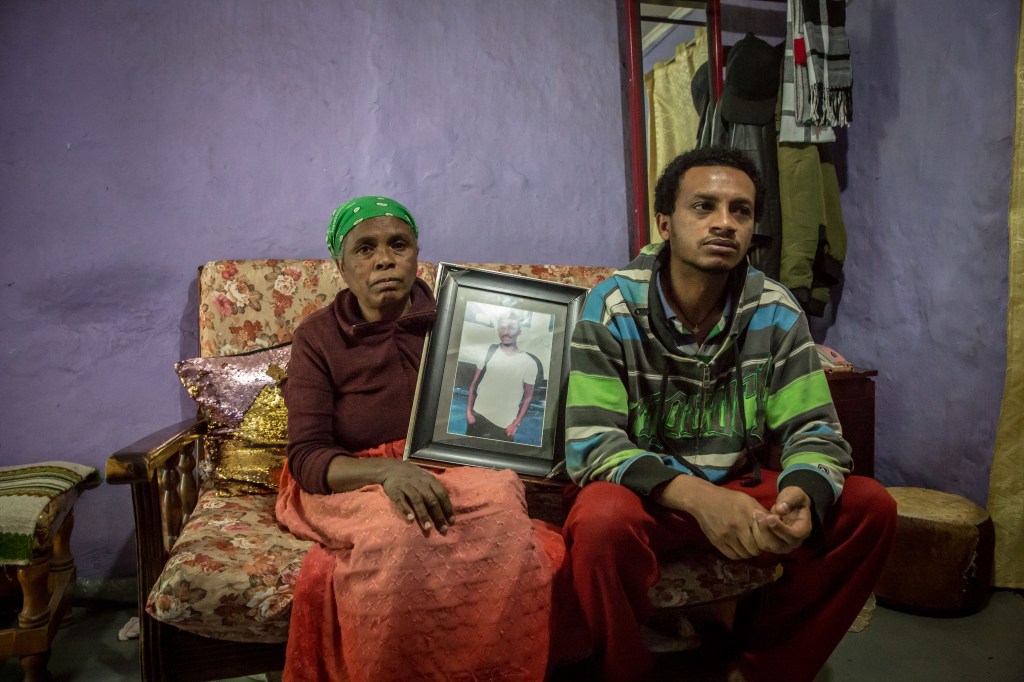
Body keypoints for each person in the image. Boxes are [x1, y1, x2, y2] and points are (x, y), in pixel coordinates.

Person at [562, 146, 897, 682]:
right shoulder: (611, 307)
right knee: (600, 519)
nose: (724, 223)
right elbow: (592, 442)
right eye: (704, 207)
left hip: (740, 493)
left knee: (869, 507)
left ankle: (763, 669)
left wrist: (802, 494)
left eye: (740, 211)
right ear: (666, 224)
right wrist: (699, 499)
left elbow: (815, 430)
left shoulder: (776, 311)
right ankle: (624, 670)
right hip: (651, 503)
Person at [275, 196, 574, 682]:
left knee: (500, 498)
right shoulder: (318, 336)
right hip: (352, 473)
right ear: (342, 266)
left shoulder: (459, 314)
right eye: (365, 249)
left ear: (417, 255)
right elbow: (308, 456)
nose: (384, 259)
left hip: (450, 462)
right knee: (399, 532)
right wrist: (388, 472)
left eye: (399, 244)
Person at [465, 313, 538, 442]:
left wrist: (515, 424)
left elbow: (528, 397)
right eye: (503, 327)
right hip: (477, 417)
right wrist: (469, 413)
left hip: (503, 426)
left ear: (519, 332)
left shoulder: (529, 363)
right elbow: (474, 384)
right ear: (498, 330)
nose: (506, 332)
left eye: (511, 328)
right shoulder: (488, 351)